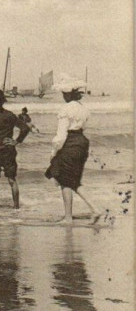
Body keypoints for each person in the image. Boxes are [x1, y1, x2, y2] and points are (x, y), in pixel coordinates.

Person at [45, 83, 100, 224]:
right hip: (81, 142)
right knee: (74, 180)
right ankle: (95, 208)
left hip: (70, 142)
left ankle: (68, 217)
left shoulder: (66, 108)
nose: (63, 97)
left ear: (68, 94)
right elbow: (84, 127)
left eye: (64, 94)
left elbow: (61, 134)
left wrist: (54, 152)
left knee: (64, 179)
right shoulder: (83, 108)